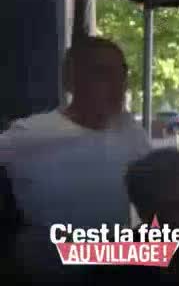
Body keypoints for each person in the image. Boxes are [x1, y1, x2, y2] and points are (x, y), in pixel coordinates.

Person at [0, 36, 151, 280]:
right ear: (71, 82)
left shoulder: (129, 130)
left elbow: (158, 187)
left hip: (114, 270)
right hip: (47, 272)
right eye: (102, 73)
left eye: (121, 74)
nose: (117, 84)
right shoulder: (31, 133)